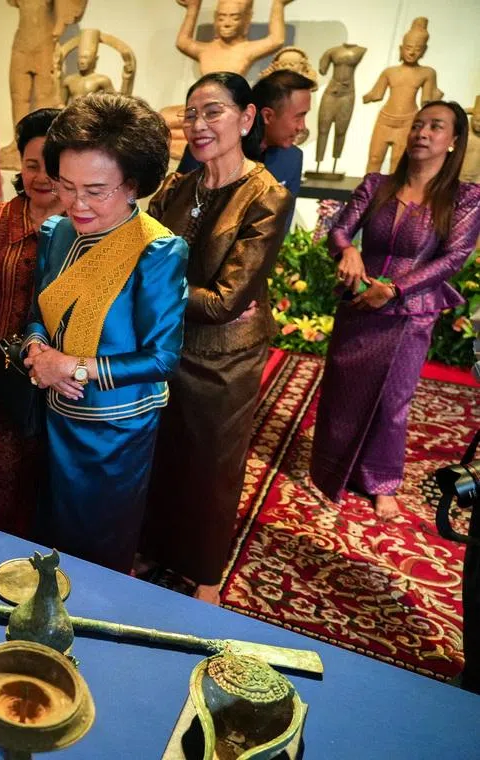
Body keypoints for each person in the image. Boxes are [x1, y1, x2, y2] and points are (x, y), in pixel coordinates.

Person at [139, 72, 293, 605]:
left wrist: (159, 283)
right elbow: (137, 254)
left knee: (211, 465)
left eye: (214, 112)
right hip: (165, 345)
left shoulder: (267, 196)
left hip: (226, 357)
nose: (199, 125)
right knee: (161, 451)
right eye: (191, 113)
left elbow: (226, 302)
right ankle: (156, 545)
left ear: (247, 119)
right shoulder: (178, 188)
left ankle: (205, 571)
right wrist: (165, 284)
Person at [22, 93, 189, 572]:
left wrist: (71, 366)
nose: (78, 203)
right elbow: (39, 310)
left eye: (96, 190)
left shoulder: (157, 250)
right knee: (49, 536)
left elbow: (163, 359)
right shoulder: (57, 232)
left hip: (116, 430)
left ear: (133, 184)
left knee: (98, 551)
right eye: (66, 186)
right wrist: (37, 351)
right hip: (56, 412)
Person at [311, 101, 480, 519]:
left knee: (392, 400)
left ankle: (382, 481)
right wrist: (347, 250)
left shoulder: (464, 198)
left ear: (453, 140)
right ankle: (332, 469)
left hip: (410, 310)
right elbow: (340, 230)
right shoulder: (377, 184)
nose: (422, 133)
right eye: (418, 124)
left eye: (435, 127)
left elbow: (453, 259)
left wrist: (396, 288)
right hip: (358, 299)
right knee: (342, 391)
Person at [0, 108, 63, 537]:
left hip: (52, 373)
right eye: (32, 165)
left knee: (41, 473)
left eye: (52, 168)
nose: (41, 177)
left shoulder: (83, 226)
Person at [178, 69, 313, 221]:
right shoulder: (208, 150)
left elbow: (282, 223)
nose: (301, 127)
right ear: (267, 115)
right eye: (299, 116)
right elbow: (179, 214)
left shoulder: (292, 158)